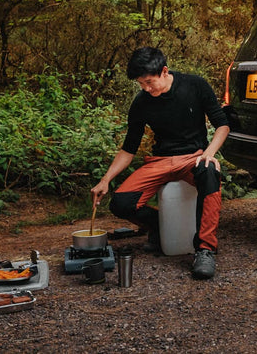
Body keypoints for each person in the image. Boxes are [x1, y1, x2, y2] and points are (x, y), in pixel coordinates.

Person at [91, 46, 229, 280]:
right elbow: (128, 148)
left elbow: (222, 125)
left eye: (149, 82)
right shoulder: (142, 102)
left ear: (164, 71)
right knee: (121, 203)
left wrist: (209, 153)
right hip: (160, 161)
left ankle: (205, 250)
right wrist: (106, 179)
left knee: (210, 172)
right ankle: (158, 226)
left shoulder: (195, 85)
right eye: (141, 84)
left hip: (193, 157)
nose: (145, 88)